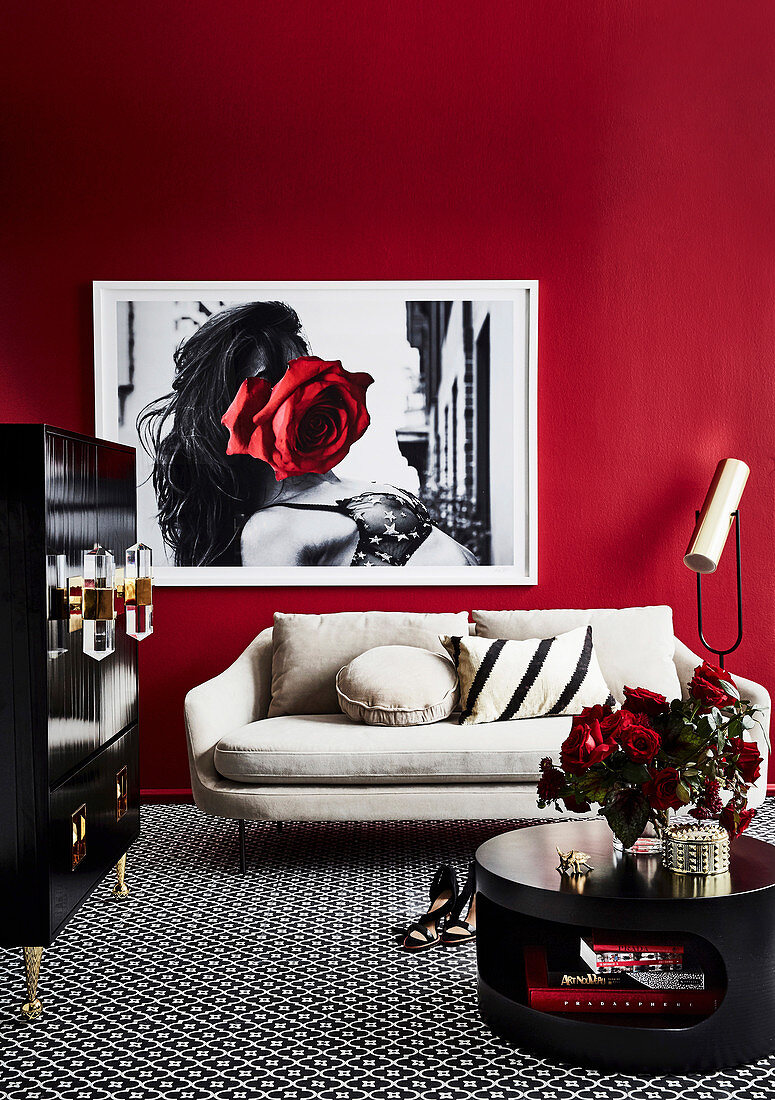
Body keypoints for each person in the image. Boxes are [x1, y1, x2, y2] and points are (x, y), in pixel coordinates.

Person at [138, 301, 478, 568]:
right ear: (227, 411)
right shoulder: (269, 531)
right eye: (272, 380)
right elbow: (294, 645)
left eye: (301, 371)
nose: (298, 388)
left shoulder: (331, 490)